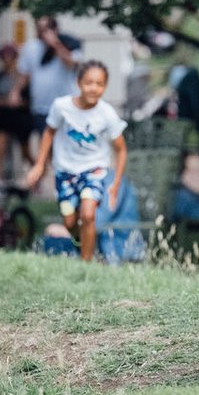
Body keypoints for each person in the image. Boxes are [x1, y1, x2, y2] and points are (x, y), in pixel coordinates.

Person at [25, 60, 128, 262]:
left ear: (105, 86)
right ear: (79, 83)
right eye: (89, 82)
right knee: (70, 222)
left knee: (88, 214)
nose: (94, 88)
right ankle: (81, 242)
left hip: (94, 170)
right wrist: (39, 164)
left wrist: (115, 184)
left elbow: (121, 149)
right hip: (65, 171)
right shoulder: (61, 107)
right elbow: (48, 133)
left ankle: (86, 264)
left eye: (100, 84)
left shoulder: (107, 114)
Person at [16, 15, 83, 135]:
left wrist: (55, 44)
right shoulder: (30, 47)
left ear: (55, 29)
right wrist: (16, 92)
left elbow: (71, 64)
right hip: (40, 108)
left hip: (66, 108)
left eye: (46, 29)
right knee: (46, 142)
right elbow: (24, 74)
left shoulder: (69, 44)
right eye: (40, 29)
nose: (43, 33)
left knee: (65, 142)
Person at [0, 43, 34, 182]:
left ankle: (35, 174)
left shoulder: (23, 77)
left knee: (25, 151)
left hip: (20, 117)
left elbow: (28, 99)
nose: (6, 61)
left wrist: (15, 102)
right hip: (3, 117)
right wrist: (2, 101)